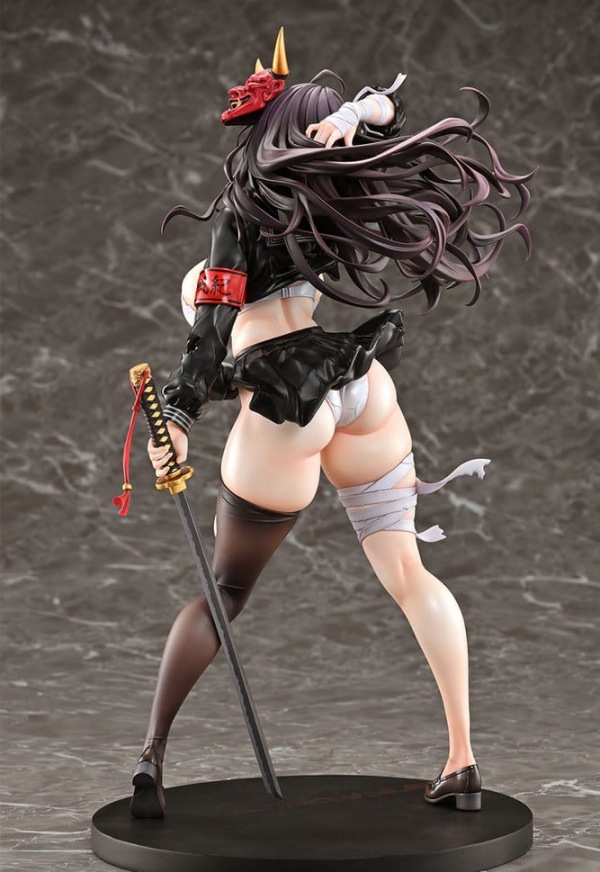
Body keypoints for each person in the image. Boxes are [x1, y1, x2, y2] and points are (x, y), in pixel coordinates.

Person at [129, 28, 534, 818]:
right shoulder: (330, 189)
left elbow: (208, 342)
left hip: (288, 406)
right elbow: (389, 108)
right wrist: (359, 113)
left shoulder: (239, 217)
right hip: (360, 384)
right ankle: (463, 761)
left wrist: (176, 412)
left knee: (225, 591)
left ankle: (150, 758)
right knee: (410, 574)